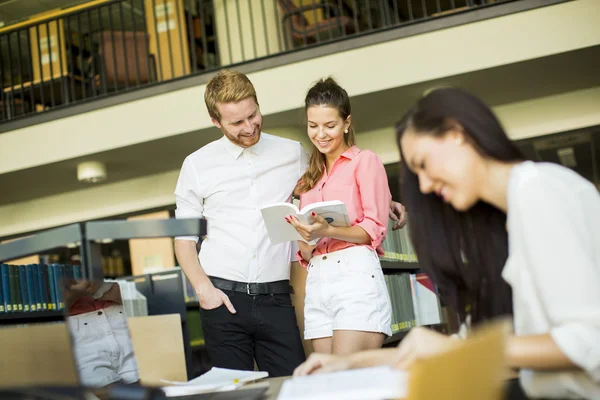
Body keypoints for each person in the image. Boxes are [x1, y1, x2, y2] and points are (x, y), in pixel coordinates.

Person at [293, 88, 600, 399]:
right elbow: (483, 348)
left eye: (424, 163)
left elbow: (589, 342)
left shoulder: (540, 191)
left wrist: (460, 347)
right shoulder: (497, 224)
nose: (425, 184)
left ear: (457, 135)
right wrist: (349, 365)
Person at [173, 69, 407, 377]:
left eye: (253, 115)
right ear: (216, 122)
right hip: (222, 298)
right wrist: (204, 290)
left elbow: (329, 181)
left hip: (276, 298)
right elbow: (183, 240)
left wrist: (382, 200)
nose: (249, 127)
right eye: (237, 123)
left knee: (295, 385)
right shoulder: (197, 165)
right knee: (235, 392)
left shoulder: (291, 152)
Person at [287, 78, 393, 355]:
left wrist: (326, 231)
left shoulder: (364, 161)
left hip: (354, 275)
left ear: (347, 123)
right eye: (313, 126)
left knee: (349, 380)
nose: (320, 134)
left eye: (330, 125)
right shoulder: (308, 178)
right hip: (318, 277)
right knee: (326, 382)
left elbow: (374, 229)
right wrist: (303, 237)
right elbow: (306, 248)